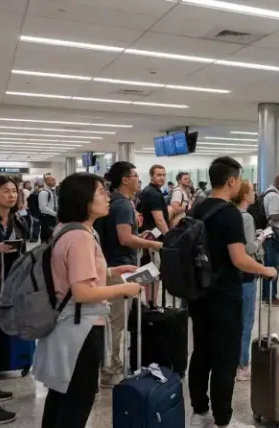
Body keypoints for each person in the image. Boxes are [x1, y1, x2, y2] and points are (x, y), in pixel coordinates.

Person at [33, 172, 141, 428]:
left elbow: (73, 275)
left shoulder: (68, 230)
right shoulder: (80, 236)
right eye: (101, 193)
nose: (108, 197)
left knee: (61, 396)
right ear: (84, 199)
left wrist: (112, 272)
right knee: (77, 401)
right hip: (79, 328)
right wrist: (125, 290)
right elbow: (82, 293)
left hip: (67, 324)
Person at [188, 157, 277, 428]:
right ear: (231, 181)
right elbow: (239, 258)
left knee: (201, 351)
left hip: (197, 291)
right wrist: (266, 270)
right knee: (225, 357)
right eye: (238, 179)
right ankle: (223, 419)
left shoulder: (198, 207)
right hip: (224, 294)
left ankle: (199, 412)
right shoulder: (230, 214)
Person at [98, 162, 163, 388]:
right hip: (120, 269)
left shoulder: (112, 202)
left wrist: (140, 235)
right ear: (125, 179)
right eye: (135, 175)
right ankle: (110, 371)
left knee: (115, 320)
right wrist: (153, 245)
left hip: (111, 265)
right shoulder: (124, 205)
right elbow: (125, 239)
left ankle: (112, 365)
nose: (138, 179)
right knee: (116, 322)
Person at [0, 176, 29, 425]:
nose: (11, 195)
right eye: (5, 191)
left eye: (14, 191)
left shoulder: (17, 220)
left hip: (8, 287)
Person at [231, 180, 266, 382]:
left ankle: (235, 361)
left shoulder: (230, 214)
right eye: (252, 190)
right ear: (245, 195)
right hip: (246, 275)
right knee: (246, 321)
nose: (254, 193)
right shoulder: (246, 218)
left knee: (236, 321)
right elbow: (248, 249)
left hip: (232, 276)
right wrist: (260, 239)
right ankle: (243, 364)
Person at [137, 165, 169, 304]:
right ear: (151, 176)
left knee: (150, 271)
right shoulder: (153, 193)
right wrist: (169, 237)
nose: (162, 177)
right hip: (153, 237)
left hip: (148, 236)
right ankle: (152, 304)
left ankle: (151, 302)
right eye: (158, 175)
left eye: (163, 175)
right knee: (153, 271)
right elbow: (159, 220)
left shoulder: (149, 191)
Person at [262, 174, 279, 307]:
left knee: (268, 265)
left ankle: (266, 295)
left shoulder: (267, 192)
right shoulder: (274, 196)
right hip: (272, 234)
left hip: (268, 233)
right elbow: (273, 216)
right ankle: (271, 297)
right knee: (274, 266)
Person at [38, 174, 58, 242]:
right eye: (53, 180)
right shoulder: (43, 193)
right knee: (46, 238)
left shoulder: (52, 192)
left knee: (52, 237)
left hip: (53, 218)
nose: (55, 181)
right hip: (47, 218)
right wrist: (55, 214)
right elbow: (43, 208)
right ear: (46, 181)